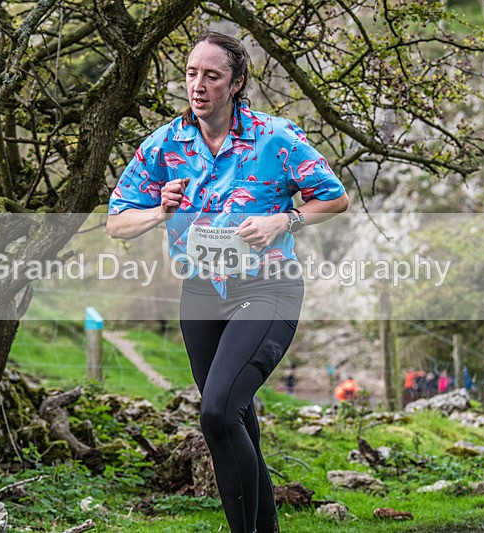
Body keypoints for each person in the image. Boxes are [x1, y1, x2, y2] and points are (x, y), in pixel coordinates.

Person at [106, 31, 348, 533]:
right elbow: (117, 221)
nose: (198, 85)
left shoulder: (276, 138)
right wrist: (159, 210)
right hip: (200, 295)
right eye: (192, 73)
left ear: (236, 83)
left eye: (212, 76)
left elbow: (334, 198)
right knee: (235, 418)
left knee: (217, 412)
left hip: (267, 287)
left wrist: (286, 221)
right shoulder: (164, 145)